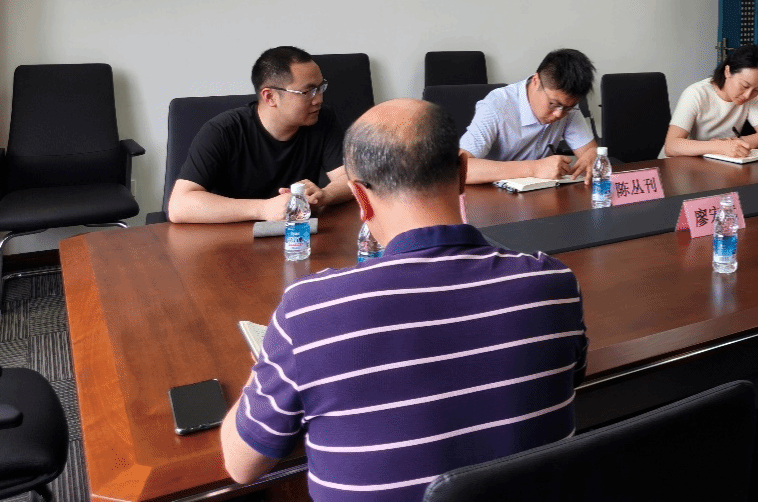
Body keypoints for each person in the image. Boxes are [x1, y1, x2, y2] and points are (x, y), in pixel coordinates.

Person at [220, 99, 588, 501]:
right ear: (463, 172)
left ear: (359, 197)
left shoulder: (309, 313)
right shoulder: (552, 284)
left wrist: (270, 363)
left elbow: (241, 466)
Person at [168, 46, 350, 223]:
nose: (319, 99)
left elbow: (351, 179)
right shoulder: (222, 131)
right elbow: (179, 206)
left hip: (297, 234)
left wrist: (326, 194)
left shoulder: (322, 119)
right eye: (308, 92)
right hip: (231, 235)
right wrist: (263, 209)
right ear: (270, 97)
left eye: (320, 88)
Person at [460, 48, 598, 185]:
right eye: (553, 104)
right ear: (536, 80)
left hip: (541, 192)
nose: (559, 114)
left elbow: (588, 153)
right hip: (492, 194)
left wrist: (593, 155)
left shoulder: (568, 109)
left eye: (567, 108)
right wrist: (534, 168)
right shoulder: (496, 105)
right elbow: (459, 168)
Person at [664, 44, 758, 158]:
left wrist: (734, 143)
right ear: (727, 71)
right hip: (684, 162)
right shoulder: (696, 94)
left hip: (719, 162)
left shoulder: (752, 97)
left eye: (757, 90)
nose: (747, 95)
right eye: (744, 86)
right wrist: (719, 146)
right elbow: (671, 146)